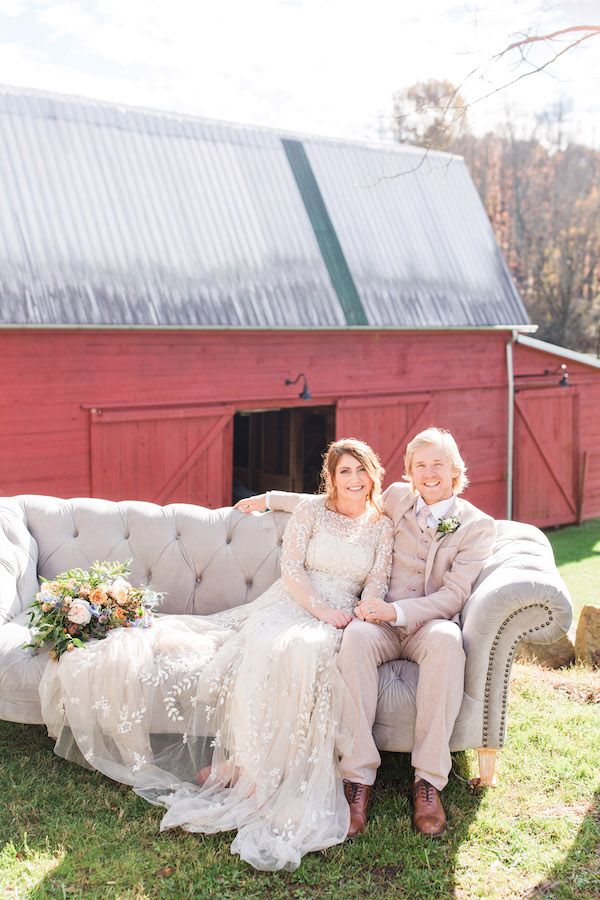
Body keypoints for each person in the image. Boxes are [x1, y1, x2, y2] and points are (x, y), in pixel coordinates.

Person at [39, 439, 393, 872]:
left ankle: (263, 770)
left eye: (361, 471)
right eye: (345, 472)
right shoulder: (313, 511)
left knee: (309, 651)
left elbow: (377, 578)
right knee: (271, 645)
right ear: (331, 479)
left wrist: (363, 610)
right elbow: (293, 569)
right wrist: (320, 608)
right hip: (295, 601)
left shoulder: (381, 524)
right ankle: (247, 768)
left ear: (374, 474)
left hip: (342, 616)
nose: (354, 480)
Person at [236, 427, 496, 838]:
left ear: (455, 470)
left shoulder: (477, 526)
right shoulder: (394, 496)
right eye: (421, 465)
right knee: (354, 637)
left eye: (438, 465)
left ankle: (428, 782)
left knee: (448, 642)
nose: (429, 474)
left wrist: (397, 610)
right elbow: (331, 501)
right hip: (376, 622)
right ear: (409, 471)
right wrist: (271, 500)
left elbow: (454, 594)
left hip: (426, 623)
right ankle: (357, 779)